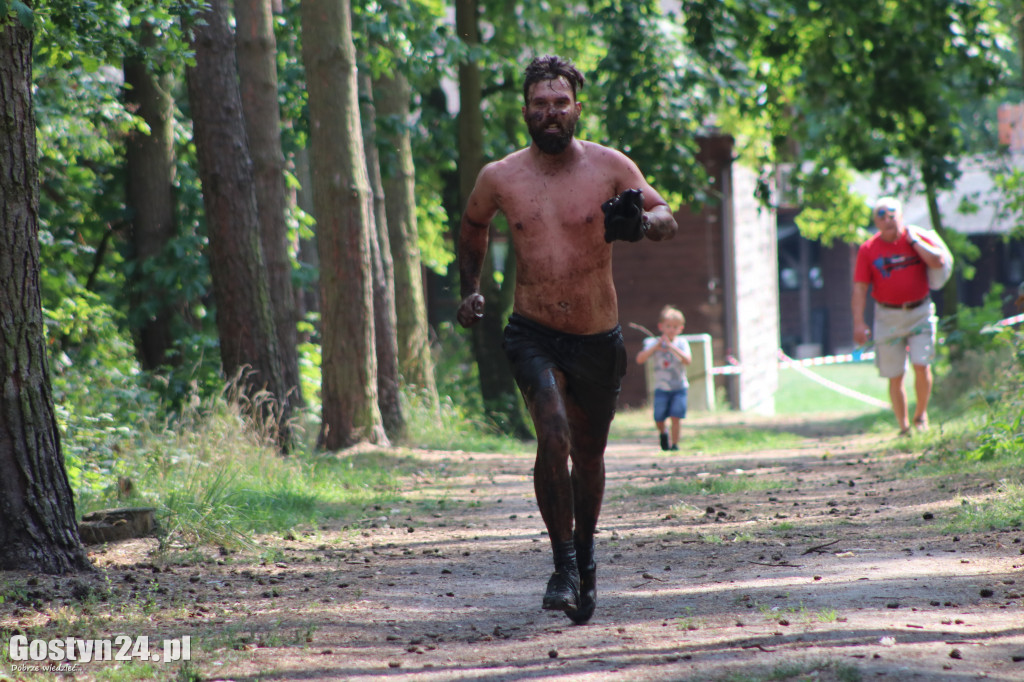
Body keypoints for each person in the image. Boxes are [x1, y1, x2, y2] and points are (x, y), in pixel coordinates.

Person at [456, 54, 678, 624]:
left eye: (560, 103)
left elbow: (664, 214)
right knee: (551, 434)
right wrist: (471, 287)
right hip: (532, 331)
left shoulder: (609, 167)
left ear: (576, 108)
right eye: (540, 104)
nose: (550, 113)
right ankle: (562, 566)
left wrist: (645, 224)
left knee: (590, 453)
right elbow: (474, 221)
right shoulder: (500, 176)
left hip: (596, 338)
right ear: (525, 111)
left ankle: (585, 556)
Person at [851, 196, 947, 435]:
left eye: (893, 216)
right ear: (876, 221)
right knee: (895, 374)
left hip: (920, 311)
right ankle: (903, 426)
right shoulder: (868, 250)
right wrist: (859, 323)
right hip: (888, 317)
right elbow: (860, 288)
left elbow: (938, 262)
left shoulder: (916, 239)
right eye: (882, 217)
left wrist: (915, 241)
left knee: (921, 364)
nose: (888, 221)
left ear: (901, 217)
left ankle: (921, 416)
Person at [635, 306, 692, 451]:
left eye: (675, 327)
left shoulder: (682, 343)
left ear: (681, 328)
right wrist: (656, 347)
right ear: (661, 327)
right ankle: (663, 432)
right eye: (668, 326)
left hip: (679, 388)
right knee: (659, 418)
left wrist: (672, 347)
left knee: (676, 417)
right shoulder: (652, 343)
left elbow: (687, 360)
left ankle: (675, 445)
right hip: (661, 388)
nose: (671, 330)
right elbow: (640, 359)